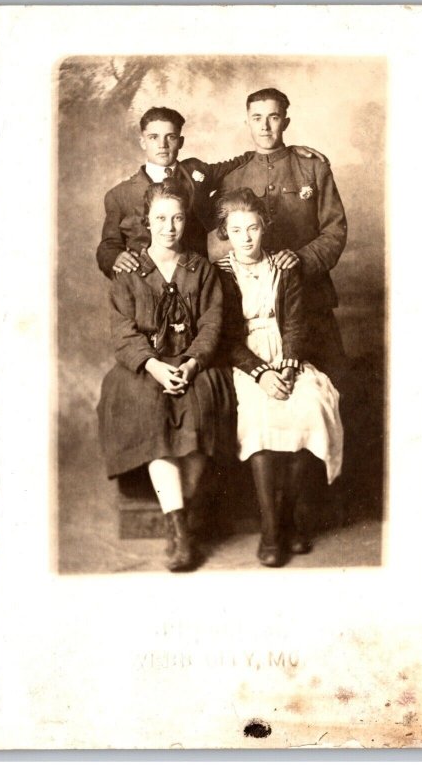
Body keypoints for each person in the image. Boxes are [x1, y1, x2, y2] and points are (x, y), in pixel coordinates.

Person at [97, 179, 235, 572]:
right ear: (147, 222)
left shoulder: (202, 270)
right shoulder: (128, 271)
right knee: (150, 407)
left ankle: (182, 515)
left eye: (177, 218)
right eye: (161, 218)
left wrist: (191, 363)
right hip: (145, 365)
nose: (170, 227)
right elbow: (122, 331)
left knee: (203, 402)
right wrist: (155, 366)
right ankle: (179, 530)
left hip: (193, 361)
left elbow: (212, 324)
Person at [215, 188, 343, 567]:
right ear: (225, 232)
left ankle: (293, 520)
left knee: (309, 406)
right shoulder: (219, 273)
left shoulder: (284, 267)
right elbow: (225, 337)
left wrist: (287, 366)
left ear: (264, 228)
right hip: (245, 363)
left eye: (253, 228)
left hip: (287, 356)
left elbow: (296, 324)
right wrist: (261, 374)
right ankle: (271, 530)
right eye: (236, 230)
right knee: (259, 418)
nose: (246, 237)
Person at [96, 105, 326, 279]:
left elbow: (242, 160)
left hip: (198, 281)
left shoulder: (196, 171)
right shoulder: (120, 195)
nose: (163, 145)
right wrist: (115, 257)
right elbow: (108, 245)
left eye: (171, 137)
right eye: (153, 137)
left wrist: (287, 151)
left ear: (181, 141)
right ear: (142, 141)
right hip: (148, 282)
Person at [214, 87, 348, 384]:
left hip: (311, 298)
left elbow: (335, 230)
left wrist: (300, 259)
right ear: (246, 122)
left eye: (273, 117)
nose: (264, 126)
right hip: (253, 309)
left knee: (333, 386)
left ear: (285, 121)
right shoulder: (233, 175)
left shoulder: (312, 167)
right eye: (257, 118)